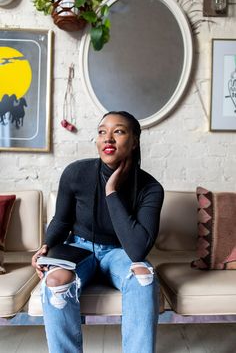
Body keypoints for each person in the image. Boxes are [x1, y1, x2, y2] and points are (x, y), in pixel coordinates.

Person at [32, 111, 164, 353]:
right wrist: (45, 246)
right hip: (79, 249)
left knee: (144, 277)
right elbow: (61, 221)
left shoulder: (151, 188)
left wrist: (111, 190)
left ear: (134, 141)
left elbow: (136, 250)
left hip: (121, 253)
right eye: (102, 131)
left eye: (119, 131)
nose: (108, 138)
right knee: (54, 282)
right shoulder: (75, 173)